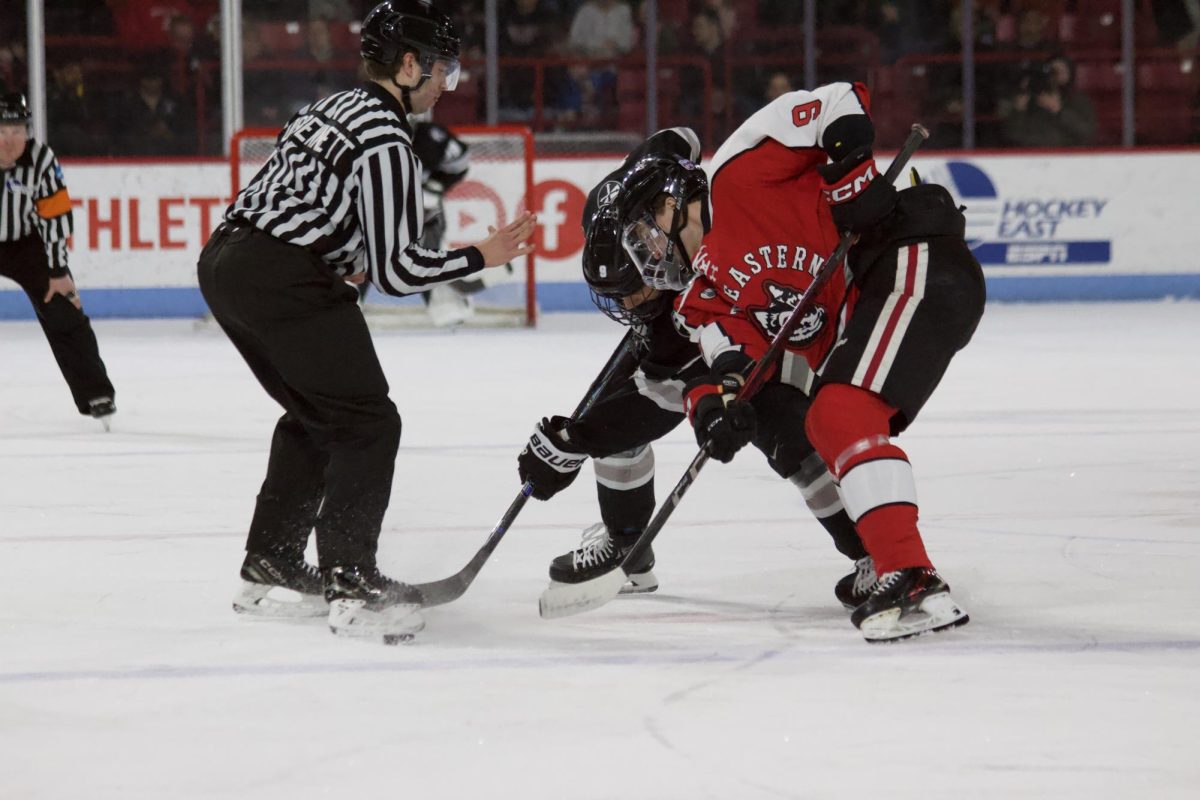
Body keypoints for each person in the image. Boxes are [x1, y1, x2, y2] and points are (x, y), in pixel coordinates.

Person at [197, 0, 536, 643]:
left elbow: (311, 209)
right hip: (281, 278)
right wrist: (479, 256)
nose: (447, 84)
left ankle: (268, 570)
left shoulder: (332, 108)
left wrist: (338, 257)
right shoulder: (386, 138)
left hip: (227, 263)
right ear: (408, 65)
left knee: (317, 413)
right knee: (366, 421)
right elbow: (400, 272)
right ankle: (351, 582)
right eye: (442, 69)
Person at [670, 81, 980, 642]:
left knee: (840, 412)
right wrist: (717, 413)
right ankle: (900, 566)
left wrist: (851, 172)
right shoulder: (703, 295)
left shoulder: (735, 175)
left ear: (671, 204)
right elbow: (729, 366)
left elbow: (841, 99)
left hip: (912, 255)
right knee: (829, 417)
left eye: (647, 234)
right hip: (883, 288)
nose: (653, 254)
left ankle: (907, 570)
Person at [517, 125, 874, 607]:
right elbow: (677, 138)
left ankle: (874, 553)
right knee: (615, 409)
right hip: (715, 317)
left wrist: (576, 441)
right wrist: (578, 437)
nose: (630, 301)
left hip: (790, 316)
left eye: (633, 286)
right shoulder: (627, 223)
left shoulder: (716, 229)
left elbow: (666, 394)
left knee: (786, 432)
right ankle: (629, 549)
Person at [0, 92, 116, 428]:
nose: (10, 140)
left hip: (26, 242)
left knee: (63, 307)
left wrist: (58, 270)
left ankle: (96, 393)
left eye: (18, 130)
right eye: (2, 131)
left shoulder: (40, 159)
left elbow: (55, 218)